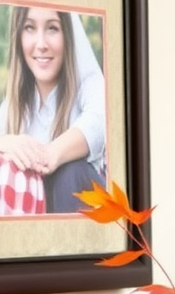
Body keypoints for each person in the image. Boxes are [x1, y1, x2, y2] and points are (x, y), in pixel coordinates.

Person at [0, 6, 105, 215]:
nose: (41, 44)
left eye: (52, 28)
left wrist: (50, 154)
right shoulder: (15, 104)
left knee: (69, 172)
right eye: (29, 28)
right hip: (36, 225)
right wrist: (7, 143)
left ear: (68, 35)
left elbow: (100, 123)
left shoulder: (90, 84)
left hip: (85, 212)